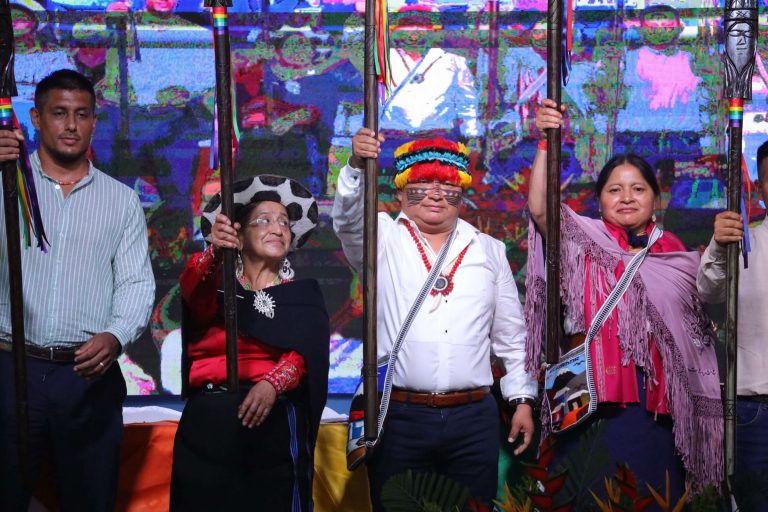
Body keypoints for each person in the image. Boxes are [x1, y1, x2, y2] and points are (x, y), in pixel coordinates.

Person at [528, 99, 722, 507]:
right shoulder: (582, 239)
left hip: (657, 407)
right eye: (614, 190)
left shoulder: (680, 257)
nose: (627, 198)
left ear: (655, 199)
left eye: (638, 189)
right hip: (588, 399)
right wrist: (546, 143)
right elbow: (542, 210)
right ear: (599, 200)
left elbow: (697, 335)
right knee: (587, 494)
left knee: (654, 497)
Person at [332, 129, 537, 509]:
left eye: (447, 184)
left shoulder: (488, 249)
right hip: (399, 416)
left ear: (461, 191)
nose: (436, 193)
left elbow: (511, 335)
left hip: (473, 419)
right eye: (422, 183)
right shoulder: (380, 238)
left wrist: (521, 399)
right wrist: (357, 165)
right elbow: (347, 219)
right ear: (401, 191)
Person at [0, 69, 155, 511]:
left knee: (89, 499)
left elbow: (136, 282)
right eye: (59, 113)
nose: (71, 125)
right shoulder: (7, 182)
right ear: (36, 118)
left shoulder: (120, 200)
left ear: (93, 121)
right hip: (10, 368)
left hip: (86, 376)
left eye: (82, 114)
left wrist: (116, 335)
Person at [170, 175, 330, 511]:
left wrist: (272, 383)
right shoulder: (214, 289)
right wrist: (216, 250)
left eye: (284, 222)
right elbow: (193, 292)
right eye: (264, 221)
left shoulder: (302, 297)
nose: (278, 228)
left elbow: (305, 353)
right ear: (239, 236)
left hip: (273, 416)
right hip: (209, 419)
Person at [697, 140, 768, 510]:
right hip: (756, 412)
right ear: (761, 187)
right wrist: (719, 245)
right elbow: (709, 295)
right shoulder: (744, 243)